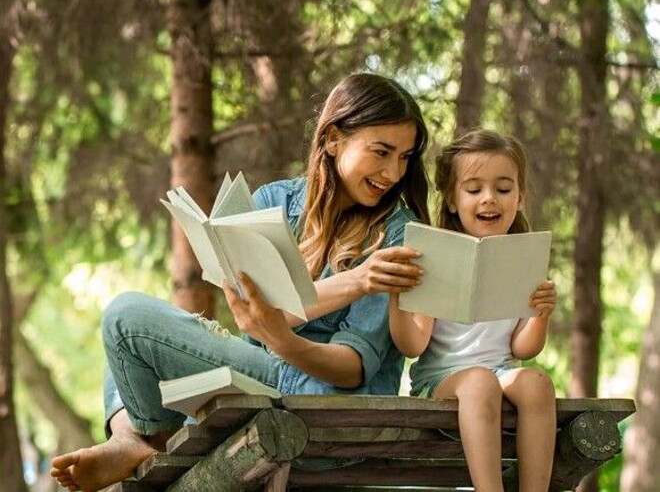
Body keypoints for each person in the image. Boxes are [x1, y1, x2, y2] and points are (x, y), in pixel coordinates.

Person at [50, 72, 431, 492]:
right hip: (262, 381)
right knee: (126, 342)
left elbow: (353, 368)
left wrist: (284, 338)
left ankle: (139, 439)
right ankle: (132, 439)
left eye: (404, 157)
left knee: (126, 318)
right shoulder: (274, 202)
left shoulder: (397, 232)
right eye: (382, 152)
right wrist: (353, 283)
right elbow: (258, 318)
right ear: (334, 138)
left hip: (331, 406)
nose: (393, 172)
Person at [389, 129, 557, 492]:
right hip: (442, 379)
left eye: (503, 188)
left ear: (521, 197)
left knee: (536, 382)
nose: (489, 199)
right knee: (479, 380)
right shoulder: (435, 258)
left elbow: (522, 349)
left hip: (501, 371)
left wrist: (540, 314)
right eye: (474, 188)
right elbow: (413, 345)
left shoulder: (523, 261)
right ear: (451, 199)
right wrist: (397, 300)